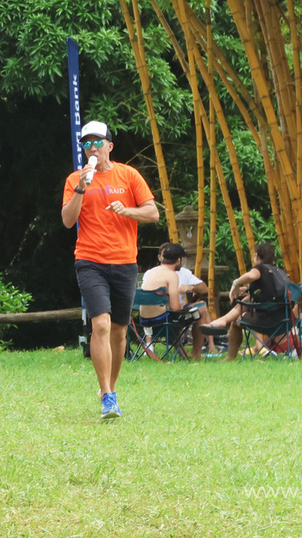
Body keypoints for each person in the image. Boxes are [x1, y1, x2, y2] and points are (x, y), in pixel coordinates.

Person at [62, 120, 159, 419]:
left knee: (119, 331)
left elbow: (153, 213)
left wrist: (126, 210)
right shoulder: (75, 179)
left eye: (97, 142)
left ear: (110, 146)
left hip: (124, 262)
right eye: (86, 143)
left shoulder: (128, 175)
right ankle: (106, 394)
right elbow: (67, 221)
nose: (92, 148)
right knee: (100, 325)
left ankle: (112, 389)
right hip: (90, 260)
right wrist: (81, 188)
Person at [222, 243, 291, 361]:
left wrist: (236, 283)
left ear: (256, 256)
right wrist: (248, 289)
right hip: (285, 321)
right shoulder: (280, 272)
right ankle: (222, 321)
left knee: (236, 322)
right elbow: (272, 291)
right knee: (248, 308)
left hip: (264, 321)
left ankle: (230, 356)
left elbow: (250, 276)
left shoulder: (259, 269)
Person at [141, 243, 209, 359]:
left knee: (179, 313)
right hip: (164, 321)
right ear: (179, 260)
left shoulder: (151, 273)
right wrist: (180, 306)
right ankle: (196, 355)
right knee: (200, 309)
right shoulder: (171, 275)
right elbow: (175, 308)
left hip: (145, 322)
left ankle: (182, 352)